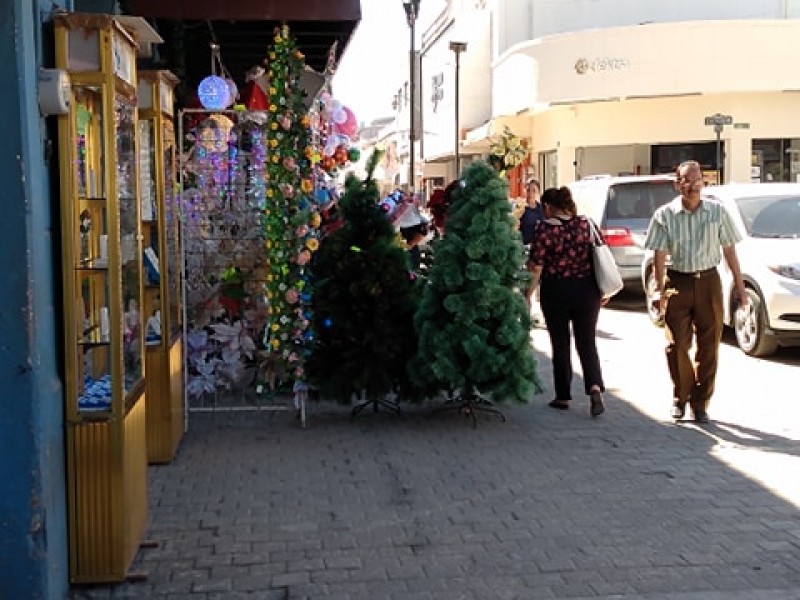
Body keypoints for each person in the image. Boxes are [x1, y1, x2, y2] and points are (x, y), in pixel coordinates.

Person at [644, 160, 748, 423]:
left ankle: (701, 403)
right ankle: (681, 396)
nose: (693, 186)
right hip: (677, 282)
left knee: (709, 346)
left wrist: (740, 287)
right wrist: (658, 291)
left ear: (704, 181)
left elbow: (729, 251)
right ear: (677, 184)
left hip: (709, 282)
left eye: (697, 180)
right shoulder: (664, 215)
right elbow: (659, 256)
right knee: (676, 344)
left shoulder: (717, 212)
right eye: (687, 181)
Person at [528, 186, 606, 418]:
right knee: (587, 341)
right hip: (587, 289)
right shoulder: (585, 224)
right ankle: (593, 385)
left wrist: (528, 293)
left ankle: (563, 396)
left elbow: (536, 266)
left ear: (549, 207)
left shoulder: (543, 230)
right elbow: (600, 254)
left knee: (560, 343)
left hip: (556, 290)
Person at [519, 178, 545, 324]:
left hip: (540, 250)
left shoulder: (541, 209)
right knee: (526, 285)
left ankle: (541, 316)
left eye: (534, 190)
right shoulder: (521, 208)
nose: (531, 193)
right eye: (528, 190)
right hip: (525, 249)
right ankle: (525, 317)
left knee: (539, 285)